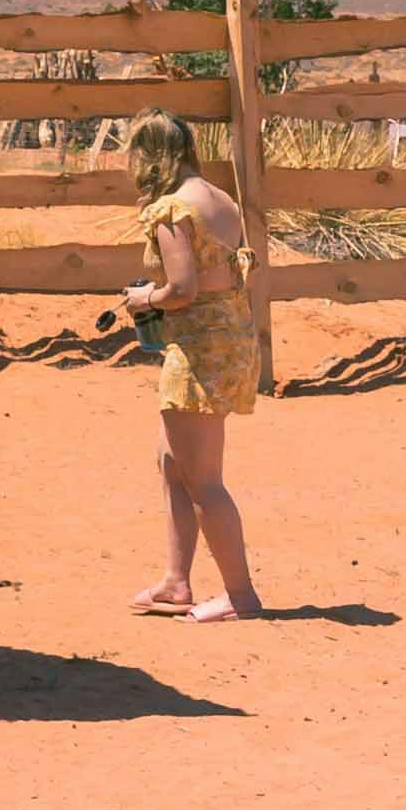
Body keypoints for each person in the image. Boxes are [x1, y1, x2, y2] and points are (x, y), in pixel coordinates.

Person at [119, 118, 264, 620]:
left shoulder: (171, 209)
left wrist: (144, 298)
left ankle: (240, 597)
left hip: (198, 352)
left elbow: (182, 290)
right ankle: (177, 582)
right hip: (231, 342)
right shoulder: (220, 199)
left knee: (203, 479)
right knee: (170, 460)